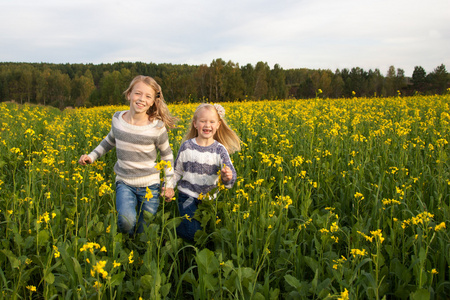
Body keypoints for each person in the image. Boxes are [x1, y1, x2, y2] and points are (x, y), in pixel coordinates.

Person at [78, 75, 177, 236]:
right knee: (126, 222)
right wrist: (92, 156)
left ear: (153, 102)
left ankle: (139, 252)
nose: (142, 99)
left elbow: (167, 156)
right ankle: (126, 246)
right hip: (124, 183)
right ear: (129, 94)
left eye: (148, 96)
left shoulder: (157, 127)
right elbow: (109, 141)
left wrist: (170, 184)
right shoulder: (117, 119)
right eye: (138, 93)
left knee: (145, 231)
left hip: (150, 185)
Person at [168, 103, 241, 242]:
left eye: (212, 122)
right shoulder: (187, 147)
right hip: (187, 196)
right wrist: (169, 186)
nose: (207, 125)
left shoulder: (220, 150)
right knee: (194, 233)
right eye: (203, 121)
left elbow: (230, 174)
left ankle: (183, 237)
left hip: (208, 200)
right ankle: (171, 232)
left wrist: (227, 177)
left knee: (207, 234)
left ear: (218, 125)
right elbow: (177, 171)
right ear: (195, 124)